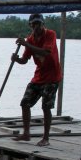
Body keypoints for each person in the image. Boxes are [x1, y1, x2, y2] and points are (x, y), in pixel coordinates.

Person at [11, 13, 62, 146]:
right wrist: (16, 59)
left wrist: (26, 44)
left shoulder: (50, 34)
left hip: (52, 77)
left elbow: (46, 52)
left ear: (42, 24)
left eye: (38, 24)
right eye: (34, 25)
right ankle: (26, 134)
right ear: (30, 26)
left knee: (46, 106)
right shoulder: (30, 40)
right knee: (25, 103)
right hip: (39, 77)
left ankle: (46, 138)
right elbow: (24, 60)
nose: (36, 27)